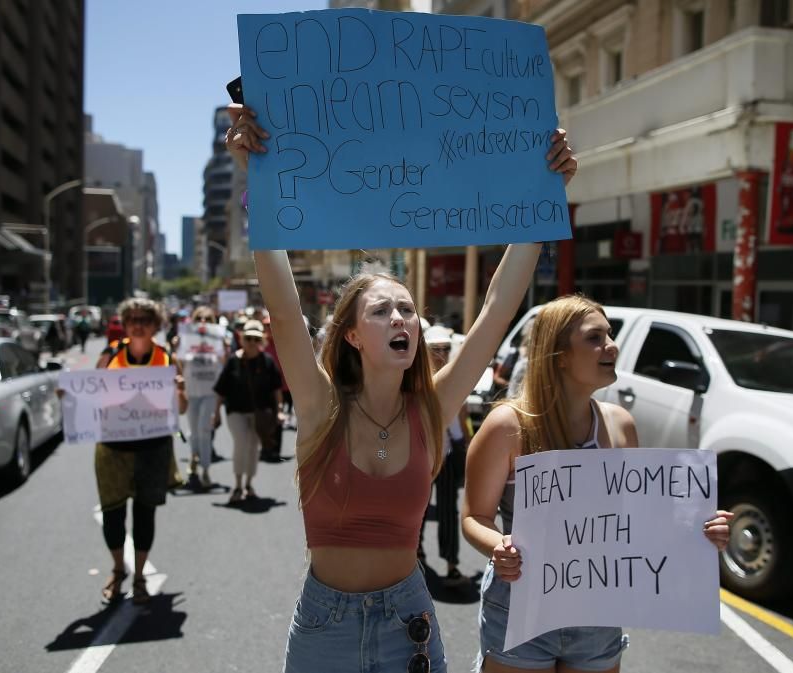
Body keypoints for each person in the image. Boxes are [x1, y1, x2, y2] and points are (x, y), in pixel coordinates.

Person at [225, 102, 576, 673]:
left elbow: (495, 311)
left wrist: (545, 193)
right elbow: (286, 315)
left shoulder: (433, 409)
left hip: (408, 620)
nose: (401, 320)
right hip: (325, 627)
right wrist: (256, 180)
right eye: (383, 310)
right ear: (354, 336)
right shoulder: (318, 408)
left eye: (408, 311)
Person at [461, 295, 734, 672]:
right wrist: (500, 546)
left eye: (610, 334)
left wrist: (698, 533)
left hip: (598, 610)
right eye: (595, 337)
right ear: (560, 355)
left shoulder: (620, 425)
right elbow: (474, 516)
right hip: (522, 603)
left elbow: (635, 522)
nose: (612, 345)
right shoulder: (507, 426)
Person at [93, 298, 188, 605]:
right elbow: (89, 398)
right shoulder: (110, 355)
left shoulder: (166, 357)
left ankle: (139, 576)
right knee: (113, 513)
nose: (137, 324)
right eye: (132, 319)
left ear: (155, 325)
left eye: (145, 319)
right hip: (113, 448)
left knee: (145, 513)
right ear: (124, 322)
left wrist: (179, 390)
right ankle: (119, 569)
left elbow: (181, 408)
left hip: (153, 447)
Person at [419, 325, 472, 588]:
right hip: (421, 454)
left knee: (449, 510)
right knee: (416, 508)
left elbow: (460, 417)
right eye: (435, 349)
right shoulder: (415, 379)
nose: (441, 354)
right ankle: (415, 558)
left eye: (446, 349)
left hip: (449, 453)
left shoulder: (455, 377)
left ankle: (451, 564)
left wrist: (467, 442)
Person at [212, 319, 284, 502]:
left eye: (256, 339)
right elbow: (221, 390)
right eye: (248, 338)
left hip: (259, 412)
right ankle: (237, 484)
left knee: (253, 447)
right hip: (235, 411)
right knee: (241, 443)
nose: (252, 342)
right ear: (242, 339)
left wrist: (280, 410)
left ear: (261, 341)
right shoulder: (233, 362)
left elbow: (276, 388)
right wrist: (216, 413)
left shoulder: (267, 362)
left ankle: (249, 483)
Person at [180, 305, 227, 488]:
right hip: (192, 391)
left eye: (207, 320)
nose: (203, 322)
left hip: (210, 392)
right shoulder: (186, 339)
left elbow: (223, 362)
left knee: (204, 430)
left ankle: (205, 469)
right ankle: (193, 457)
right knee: (193, 430)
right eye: (199, 319)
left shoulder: (218, 339)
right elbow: (180, 362)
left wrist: (219, 346)